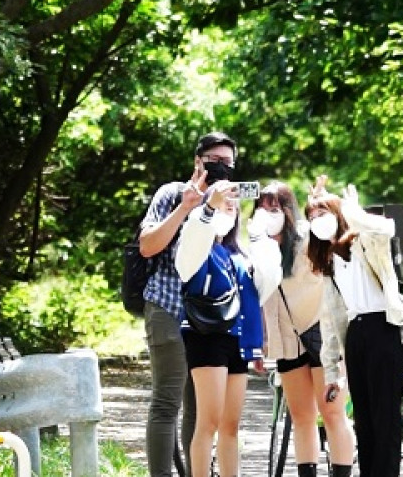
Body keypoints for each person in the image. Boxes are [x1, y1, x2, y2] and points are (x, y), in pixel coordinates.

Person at [138, 131, 237, 476]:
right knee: (167, 401)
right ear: (198, 161)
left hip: (209, 316)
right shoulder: (172, 193)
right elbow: (147, 246)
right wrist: (186, 206)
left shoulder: (229, 202)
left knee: (200, 411)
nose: (221, 167)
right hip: (168, 305)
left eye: (228, 162)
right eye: (214, 160)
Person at [175, 173, 280, 477]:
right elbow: (190, 249)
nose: (229, 209)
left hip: (237, 341)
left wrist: (259, 235)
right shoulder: (197, 246)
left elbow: (266, 284)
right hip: (206, 337)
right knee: (207, 423)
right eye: (224, 204)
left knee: (231, 426)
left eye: (233, 206)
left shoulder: (238, 255)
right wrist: (209, 207)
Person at [305, 175, 403, 477]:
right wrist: (330, 371)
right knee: (363, 419)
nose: (317, 220)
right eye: (312, 217)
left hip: (384, 327)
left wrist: (352, 211)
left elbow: (385, 228)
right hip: (356, 334)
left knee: (385, 416)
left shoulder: (363, 242)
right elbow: (330, 320)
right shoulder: (329, 260)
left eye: (322, 213)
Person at [255, 181, 354, 477]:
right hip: (287, 341)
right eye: (262, 209)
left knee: (332, 413)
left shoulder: (308, 238)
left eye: (274, 208)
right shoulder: (258, 247)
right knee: (301, 416)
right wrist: (259, 342)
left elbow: (334, 235)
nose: (268, 215)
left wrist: (324, 204)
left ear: (288, 211)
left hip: (322, 335)